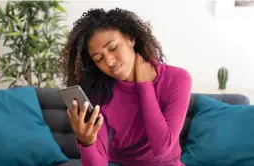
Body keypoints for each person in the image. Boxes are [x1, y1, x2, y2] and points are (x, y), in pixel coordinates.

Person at [58, 7, 192, 166]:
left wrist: (144, 85)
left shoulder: (177, 79)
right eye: (99, 58)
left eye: (113, 48)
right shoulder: (99, 92)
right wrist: (86, 142)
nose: (109, 62)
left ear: (130, 38)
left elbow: (162, 148)